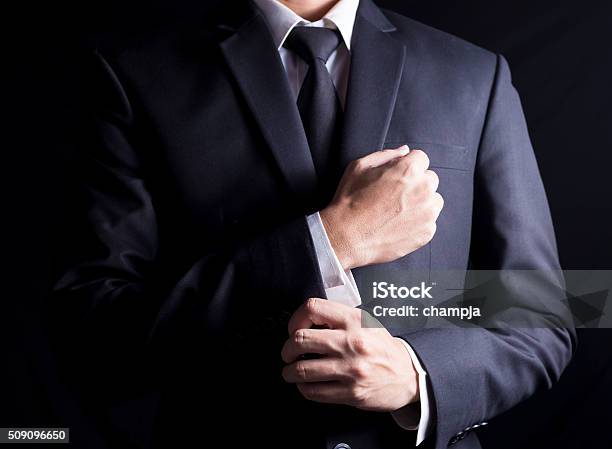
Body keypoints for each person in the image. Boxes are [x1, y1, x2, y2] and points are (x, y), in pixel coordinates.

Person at [51, 0, 575, 448]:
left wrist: (419, 376)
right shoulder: (132, 73)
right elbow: (94, 331)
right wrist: (331, 241)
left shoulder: (473, 74)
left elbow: (540, 314)